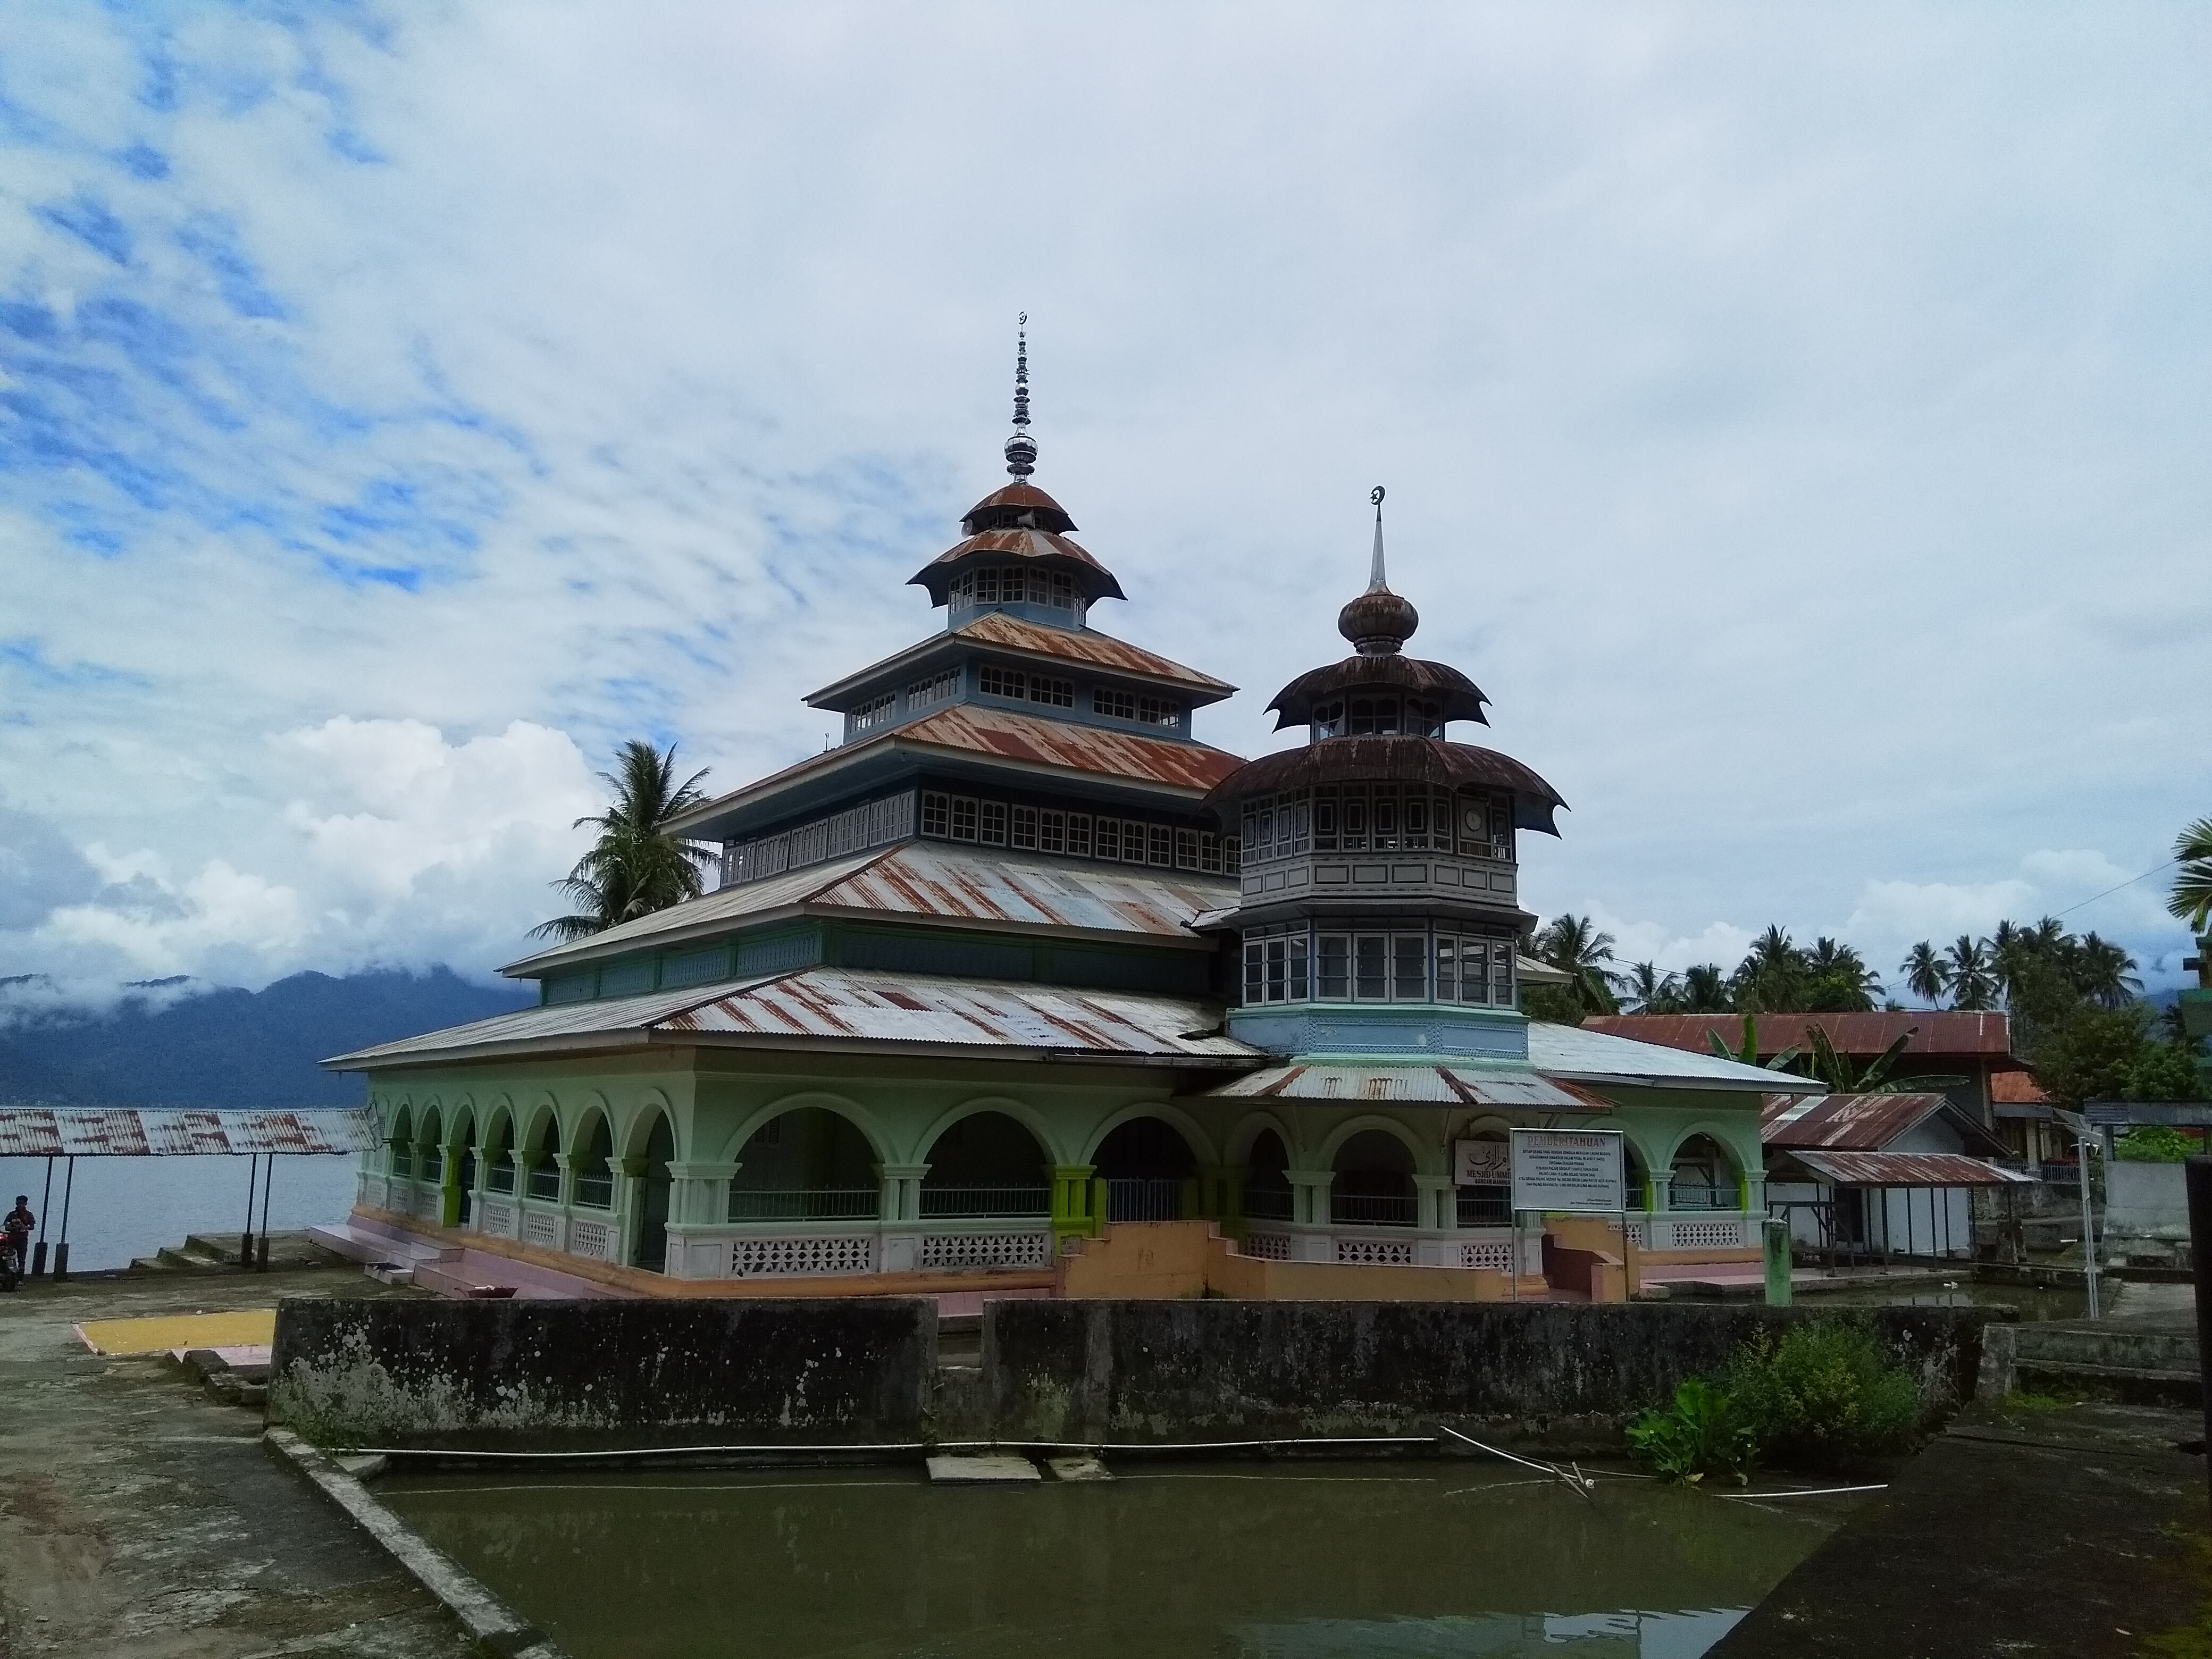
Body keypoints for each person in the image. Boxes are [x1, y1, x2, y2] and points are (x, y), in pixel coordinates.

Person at [1, 1196, 31, 1289]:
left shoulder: (28, 1214)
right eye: (18, 1203)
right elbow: (6, 1225)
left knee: (22, 1259)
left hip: (23, 1240)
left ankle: (20, 1279)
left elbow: (32, 1226)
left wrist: (24, 1227)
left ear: (25, 1204)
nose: (19, 1205)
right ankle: (9, 1276)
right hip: (12, 1239)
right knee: (8, 1258)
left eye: (22, 1203)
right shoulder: (12, 1214)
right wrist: (11, 1227)